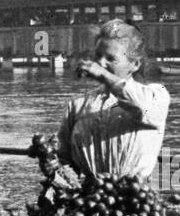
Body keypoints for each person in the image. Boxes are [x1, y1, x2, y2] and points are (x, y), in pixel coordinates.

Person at [56, 19, 169, 181]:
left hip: (134, 198)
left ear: (135, 65)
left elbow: (140, 106)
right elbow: (63, 158)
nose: (100, 63)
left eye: (110, 58)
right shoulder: (77, 105)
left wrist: (103, 75)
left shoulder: (156, 96)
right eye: (98, 56)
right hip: (90, 198)